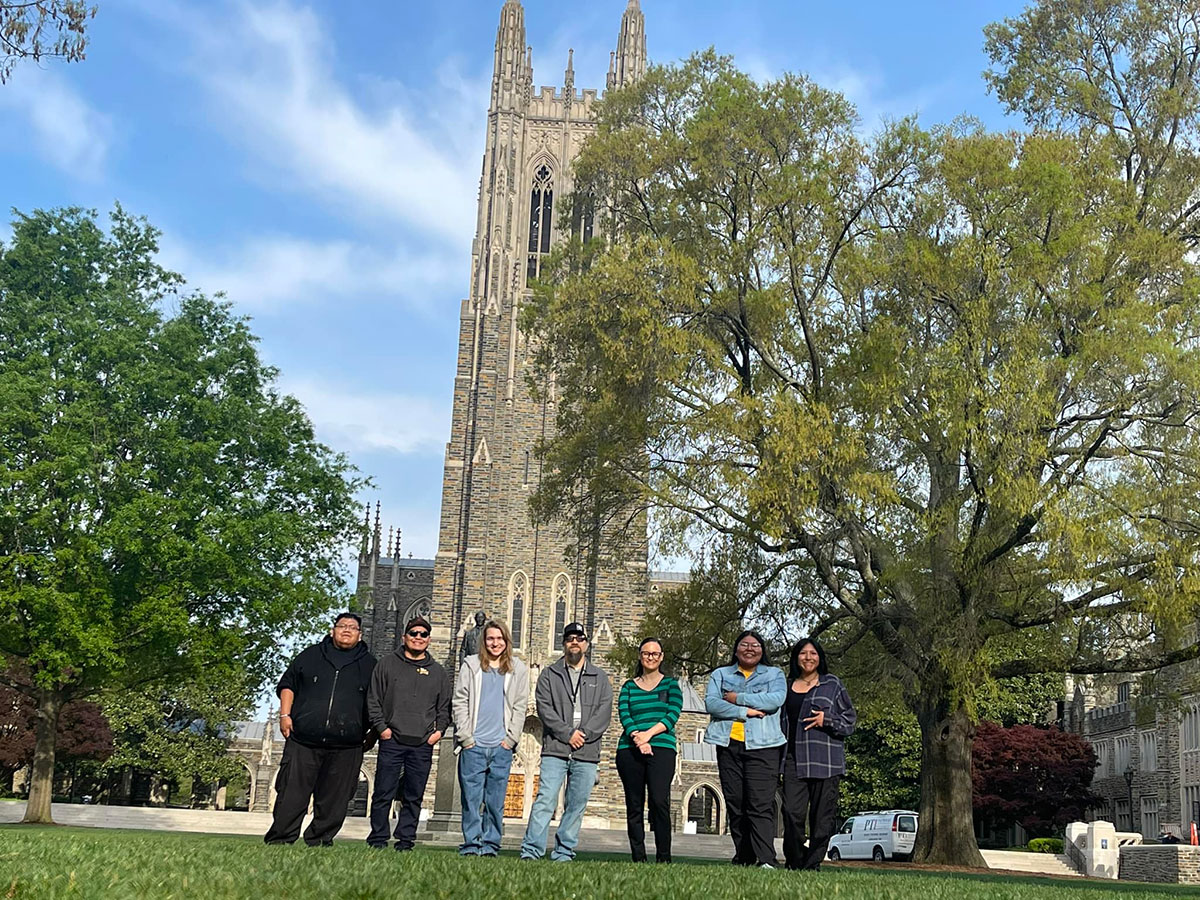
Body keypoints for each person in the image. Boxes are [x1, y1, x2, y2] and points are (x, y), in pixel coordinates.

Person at [265, 611, 377, 846]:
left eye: (352, 627)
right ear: (332, 630)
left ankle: (319, 839)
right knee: (291, 794)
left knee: (335, 799)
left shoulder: (371, 665)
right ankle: (281, 839)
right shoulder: (311, 656)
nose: (347, 630)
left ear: (360, 635)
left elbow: (381, 702)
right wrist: (284, 715)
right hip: (303, 740)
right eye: (342, 626)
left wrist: (373, 733)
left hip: (347, 744)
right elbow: (288, 684)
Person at [519, 622, 613, 861]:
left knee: (576, 804)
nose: (575, 642)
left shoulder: (600, 678)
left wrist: (584, 735)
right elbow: (544, 709)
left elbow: (604, 712)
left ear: (587, 644)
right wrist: (567, 733)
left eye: (580, 638)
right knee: (545, 799)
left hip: (587, 751)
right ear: (564, 643)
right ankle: (531, 851)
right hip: (556, 749)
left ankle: (563, 852)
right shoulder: (549, 675)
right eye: (570, 638)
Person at [366, 615, 451, 851]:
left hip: (422, 743)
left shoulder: (438, 672)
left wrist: (439, 732)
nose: (418, 638)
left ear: (429, 639)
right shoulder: (386, 664)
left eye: (423, 634)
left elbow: (444, 708)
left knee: (413, 795)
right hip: (392, 739)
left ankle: (405, 840)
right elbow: (373, 699)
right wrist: (382, 728)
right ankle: (378, 839)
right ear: (405, 637)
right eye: (414, 633)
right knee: (383, 791)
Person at [704, 629, 786, 868]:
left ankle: (766, 859)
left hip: (764, 746)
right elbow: (712, 704)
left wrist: (736, 698)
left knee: (760, 804)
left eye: (755, 645)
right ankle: (744, 856)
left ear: (763, 650)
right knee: (736, 803)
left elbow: (775, 700)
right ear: (736, 649)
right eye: (744, 645)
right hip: (729, 745)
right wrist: (745, 712)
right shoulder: (721, 673)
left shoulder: (774, 674)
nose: (750, 649)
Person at [453, 618, 530, 856]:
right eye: (490, 639)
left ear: (506, 641)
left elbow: (520, 706)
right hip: (474, 745)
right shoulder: (471, 665)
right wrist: (466, 737)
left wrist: (511, 740)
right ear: (483, 641)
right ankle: (471, 844)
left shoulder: (518, 669)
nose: (495, 643)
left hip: (501, 746)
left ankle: (490, 845)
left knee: (495, 802)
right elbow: (460, 701)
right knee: (472, 801)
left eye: (499, 639)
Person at [780, 637, 857, 870]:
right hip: (793, 759)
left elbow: (850, 721)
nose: (808, 657)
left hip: (826, 761)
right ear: (796, 658)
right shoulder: (786, 685)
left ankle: (812, 864)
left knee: (822, 818)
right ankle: (795, 861)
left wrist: (827, 720)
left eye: (813, 653)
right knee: (791, 814)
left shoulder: (832, 684)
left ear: (820, 658)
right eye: (803, 653)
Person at [615, 637, 683, 863]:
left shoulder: (671, 685)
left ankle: (664, 857)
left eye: (655, 654)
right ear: (640, 656)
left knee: (659, 801)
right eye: (646, 653)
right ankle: (638, 857)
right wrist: (637, 737)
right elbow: (624, 713)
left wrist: (648, 735)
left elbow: (672, 714)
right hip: (629, 749)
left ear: (661, 657)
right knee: (634, 804)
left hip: (661, 748)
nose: (650, 657)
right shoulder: (628, 686)